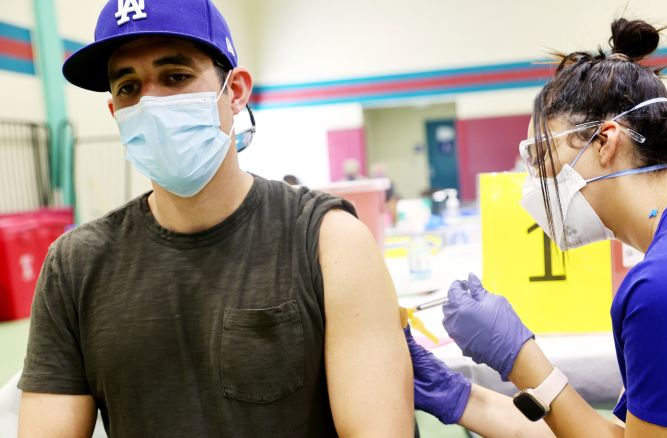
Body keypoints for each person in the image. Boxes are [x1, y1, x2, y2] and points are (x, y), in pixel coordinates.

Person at [17, 1, 413, 437]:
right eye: (128, 87)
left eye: (176, 77)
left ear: (236, 91)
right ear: (116, 114)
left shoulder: (326, 241)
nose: (151, 103)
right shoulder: (75, 266)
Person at [406, 18, 667, 437]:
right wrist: (454, 394)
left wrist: (521, 359)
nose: (536, 186)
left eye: (542, 160)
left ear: (605, 141)